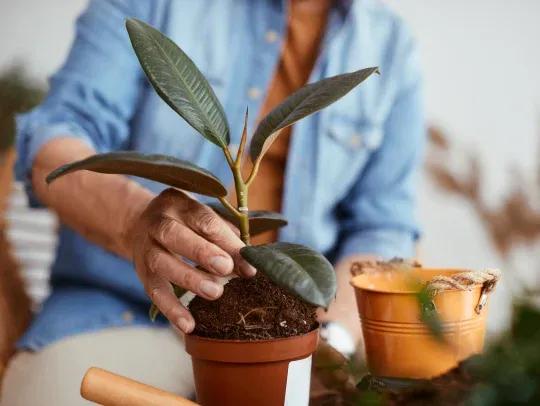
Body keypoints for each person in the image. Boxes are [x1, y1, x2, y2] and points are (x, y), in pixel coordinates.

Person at [1, 0, 425, 404]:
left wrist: (331, 341)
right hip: (124, 312)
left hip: (293, 334)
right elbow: (53, 143)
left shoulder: (388, 44)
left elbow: (383, 225)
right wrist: (136, 221)